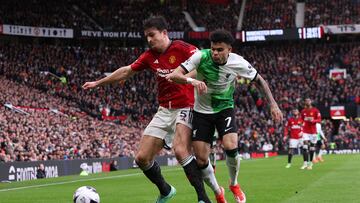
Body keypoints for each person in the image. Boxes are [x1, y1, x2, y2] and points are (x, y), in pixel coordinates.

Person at [83, 16, 219, 203]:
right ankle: (166, 190)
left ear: (164, 33)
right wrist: (98, 83)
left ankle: (203, 198)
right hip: (164, 110)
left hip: (186, 106)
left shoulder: (182, 48)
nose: (149, 40)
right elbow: (126, 71)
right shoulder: (149, 56)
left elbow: (204, 63)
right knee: (142, 158)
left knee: (181, 151)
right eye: (146, 36)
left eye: (152, 35)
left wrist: (185, 76)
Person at [166, 29, 283, 203]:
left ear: (229, 49)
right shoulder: (201, 57)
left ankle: (234, 184)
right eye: (213, 49)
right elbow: (175, 75)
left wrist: (273, 104)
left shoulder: (238, 62)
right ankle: (217, 192)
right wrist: (193, 81)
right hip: (201, 112)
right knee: (201, 159)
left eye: (220, 49)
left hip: (224, 109)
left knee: (230, 146)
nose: (215, 53)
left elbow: (259, 80)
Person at [300, 98, 321, 170]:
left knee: (312, 148)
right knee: (305, 147)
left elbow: (319, 120)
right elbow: (301, 120)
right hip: (305, 131)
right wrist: (301, 123)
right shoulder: (303, 111)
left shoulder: (316, 110)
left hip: (313, 132)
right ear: (305, 102)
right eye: (306, 101)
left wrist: (313, 120)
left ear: (311, 102)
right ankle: (305, 163)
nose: (307, 102)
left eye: (309, 100)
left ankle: (310, 163)